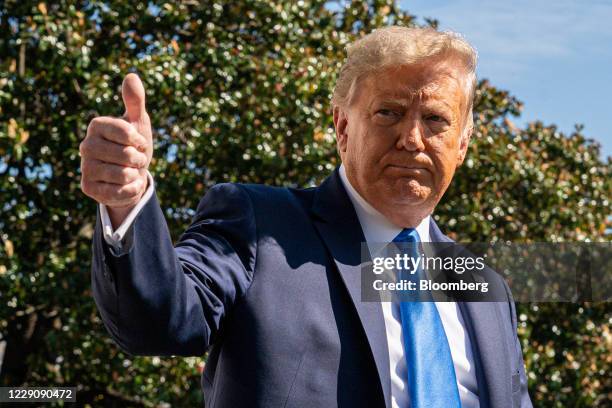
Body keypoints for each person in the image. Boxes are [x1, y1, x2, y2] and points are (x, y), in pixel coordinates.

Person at [80, 26, 532, 407]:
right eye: (388, 113)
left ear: (464, 143)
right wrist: (127, 202)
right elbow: (160, 319)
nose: (411, 138)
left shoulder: (487, 289)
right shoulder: (260, 226)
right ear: (342, 127)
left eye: (435, 119)